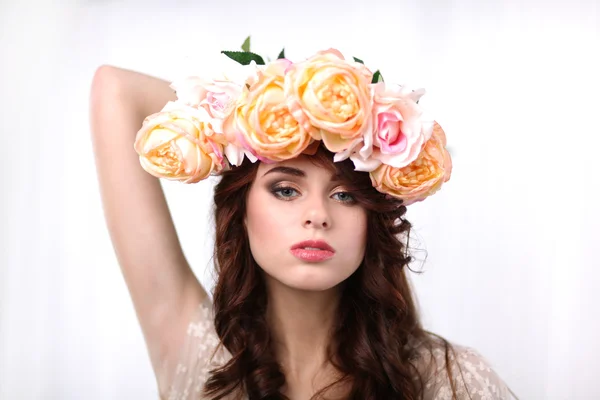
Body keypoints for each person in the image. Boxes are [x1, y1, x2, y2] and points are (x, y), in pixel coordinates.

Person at [90, 48, 517, 399]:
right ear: (239, 210)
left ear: (374, 219)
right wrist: (247, 112)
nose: (318, 215)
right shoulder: (198, 354)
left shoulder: (449, 380)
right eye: (286, 190)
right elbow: (115, 88)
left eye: (345, 195)